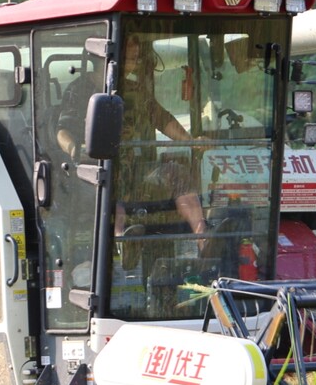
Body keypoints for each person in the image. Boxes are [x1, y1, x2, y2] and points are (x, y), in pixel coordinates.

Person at [53, 31, 207, 235]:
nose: (133, 65)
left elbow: (161, 118)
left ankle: (203, 236)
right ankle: (120, 242)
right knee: (108, 188)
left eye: (135, 59)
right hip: (93, 172)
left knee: (177, 174)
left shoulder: (135, 89)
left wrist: (189, 141)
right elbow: (63, 131)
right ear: (106, 58)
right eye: (129, 59)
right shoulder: (80, 90)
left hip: (133, 171)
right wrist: (74, 149)